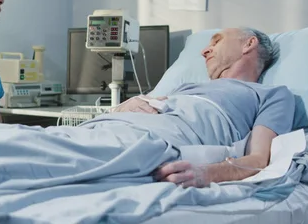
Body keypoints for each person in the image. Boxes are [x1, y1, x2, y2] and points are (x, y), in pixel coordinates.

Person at [108, 27, 294, 187]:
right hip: (122, 125)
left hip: (169, 134)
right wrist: (123, 107)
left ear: (249, 44)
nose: (204, 51)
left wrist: (208, 173)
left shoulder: (271, 94)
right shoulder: (184, 88)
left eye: (216, 41)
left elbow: (258, 160)